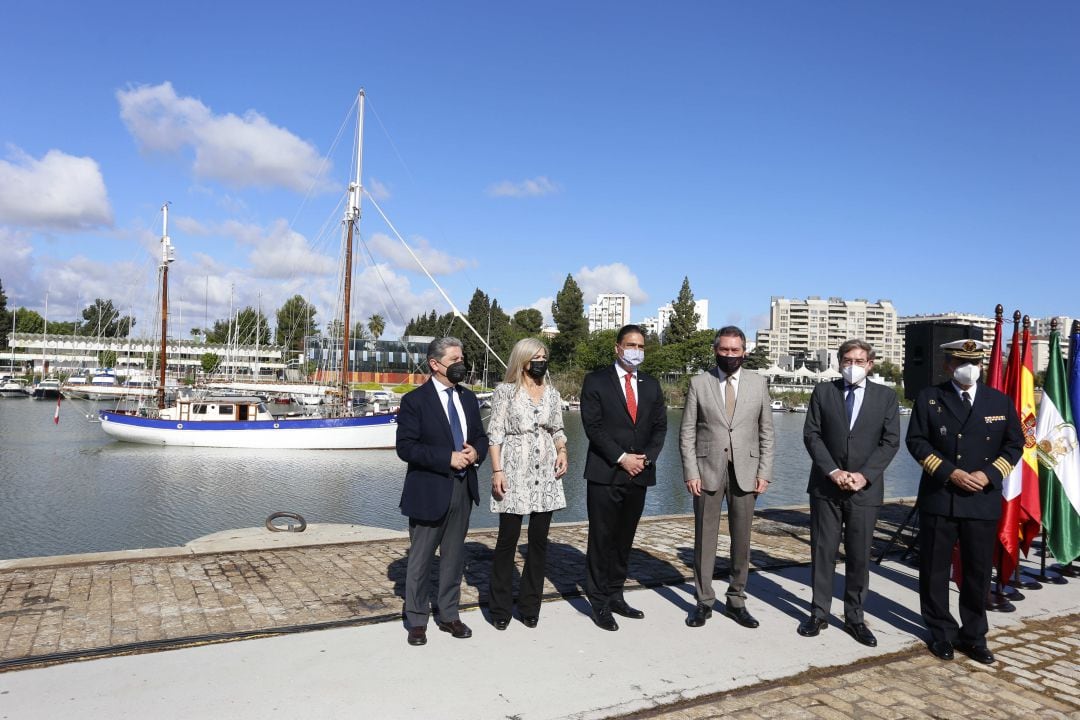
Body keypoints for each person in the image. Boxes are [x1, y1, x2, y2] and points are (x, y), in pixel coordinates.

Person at [906, 339, 1023, 664]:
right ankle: (940, 631)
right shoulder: (931, 398)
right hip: (941, 496)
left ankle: (974, 636)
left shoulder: (998, 401)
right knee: (934, 570)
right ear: (948, 365)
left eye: (974, 361)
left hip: (981, 498)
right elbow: (915, 441)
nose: (968, 367)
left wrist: (990, 475)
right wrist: (950, 473)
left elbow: (1015, 445)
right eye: (960, 361)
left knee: (977, 571)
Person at [799, 339, 900, 646]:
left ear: (870, 364)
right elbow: (812, 435)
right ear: (839, 362)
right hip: (826, 486)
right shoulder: (823, 391)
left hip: (864, 490)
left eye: (859, 360)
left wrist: (863, 476)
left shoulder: (886, 396)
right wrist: (834, 471)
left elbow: (890, 442)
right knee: (822, 551)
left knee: (858, 555)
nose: (852, 366)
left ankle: (855, 617)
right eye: (847, 360)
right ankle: (819, 612)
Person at [397, 336, 488, 646]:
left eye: (462, 359)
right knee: (420, 560)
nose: (461, 365)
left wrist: (476, 452)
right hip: (428, 490)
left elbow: (481, 437)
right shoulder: (414, 401)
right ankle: (417, 619)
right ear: (435, 364)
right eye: (454, 361)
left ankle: (449, 614)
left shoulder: (468, 399)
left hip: (463, 489)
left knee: (453, 557)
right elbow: (406, 448)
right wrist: (446, 457)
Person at [680, 326, 774, 629]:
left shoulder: (759, 384)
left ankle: (736, 601)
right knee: (704, 539)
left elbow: (766, 433)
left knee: (742, 541)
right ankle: (704, 601)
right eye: (724, 350)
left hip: (746, 472)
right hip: (707, 471)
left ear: (744, 351)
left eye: (735, 351)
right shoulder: (699, 383)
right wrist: (691, 471)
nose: (730, 356)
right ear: (715, 350)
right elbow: (687, 432)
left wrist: (765, 472)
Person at [580, 324, 667, 631]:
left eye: (642, 346)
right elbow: (594, 427)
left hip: (639, 473)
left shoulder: (651, 384)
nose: (636, 351)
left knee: (624, 539)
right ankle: (599, 600)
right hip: (606, 472)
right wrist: (621, 457)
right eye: (631, 345)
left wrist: (647, 458)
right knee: (601, 539)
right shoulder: (596, 381)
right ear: (617, 347)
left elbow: (659, 427)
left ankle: (616, 593)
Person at [487, 338, 569, 630]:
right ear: (522, 360)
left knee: (538, 542)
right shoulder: (505, 392)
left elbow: (557, 428)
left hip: (545, 475)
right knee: (507, 540)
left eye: (544, 356)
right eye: (536, 356)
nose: (541, 361)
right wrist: (497, 471)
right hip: (513, 472)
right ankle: (499, 606)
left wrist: (562, 451)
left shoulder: (552, 393)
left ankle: (530, 605)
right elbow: (495, 433)